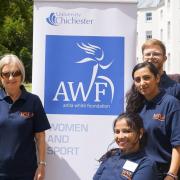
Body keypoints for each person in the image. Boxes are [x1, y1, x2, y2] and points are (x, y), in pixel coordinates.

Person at [126, 62, 180, 179]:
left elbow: (178, 144)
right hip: (136, 168)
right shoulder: (135, 105)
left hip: (160, 172)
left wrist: (171, 175)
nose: (142, 83)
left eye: (146, 78)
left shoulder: (171, 103)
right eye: (138, 80)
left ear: (157, 78)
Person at [0, 54, 50, 180]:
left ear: (21, 75)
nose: (11, 77)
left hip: (27, 173)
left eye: (15, 73)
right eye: (6, 74)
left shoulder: (33, 101)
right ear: (1, 78)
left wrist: (42, 165)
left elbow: (40, 136)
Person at [93, 112, 158, 180]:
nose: (120, 136)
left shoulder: (146, 164)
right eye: (117, 132)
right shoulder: (110, 156)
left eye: (126, 131)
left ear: (140, 133)